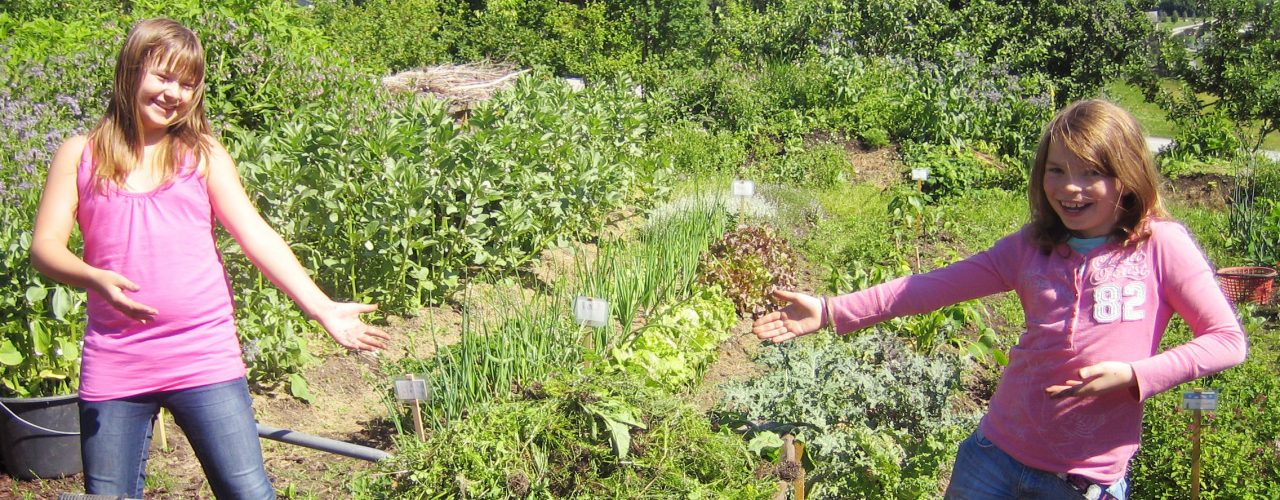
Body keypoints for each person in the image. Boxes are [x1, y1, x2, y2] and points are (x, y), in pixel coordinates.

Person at [752, 99, 1247, 499]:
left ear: (1128, 174)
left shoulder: (1159, 245)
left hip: (1082, 480)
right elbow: (929, 287)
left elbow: (1227, 340)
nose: (1070, 188)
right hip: (994, 456)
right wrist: (832, 309)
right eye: (1056, 170)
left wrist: (1137, 376)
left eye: (1090, 172)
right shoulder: (1030, 248)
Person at [30, 18, 391, 499]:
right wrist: (95, 278)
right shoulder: (80, 154)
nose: (173, 92)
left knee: (248, 492)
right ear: (130, 71)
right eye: (162, 76)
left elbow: (255, 235)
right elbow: (45, 247)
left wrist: (320, 306)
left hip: (203, 354)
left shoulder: (201, 154)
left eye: (187, 83)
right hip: (117, 359)